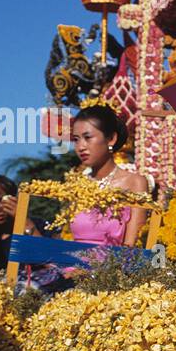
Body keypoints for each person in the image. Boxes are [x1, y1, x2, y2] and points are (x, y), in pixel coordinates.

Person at [70, 103, 151, 248]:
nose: (80, 147)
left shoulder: (134, 183)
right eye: (76, 139)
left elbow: (132, 246)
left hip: (113, 267)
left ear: (111, 139)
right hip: (70, 266)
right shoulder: (77, 186)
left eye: (87, 137)